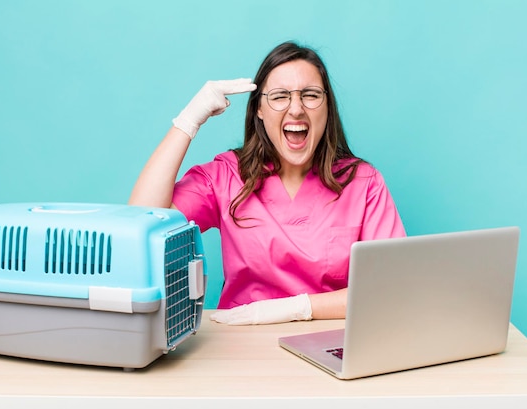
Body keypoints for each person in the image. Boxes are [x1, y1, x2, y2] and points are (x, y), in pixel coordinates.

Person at [128, 41, 406, 325]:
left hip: (330, 343)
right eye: (279, 96)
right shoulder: (226, 177)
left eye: (310, 95)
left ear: (327, 108)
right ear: (259, 109)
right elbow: (139, 221)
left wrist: (299, 308)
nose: (296, 109)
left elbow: (393, 286)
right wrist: (188, 121)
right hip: (241, 345)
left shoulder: (362, 183)